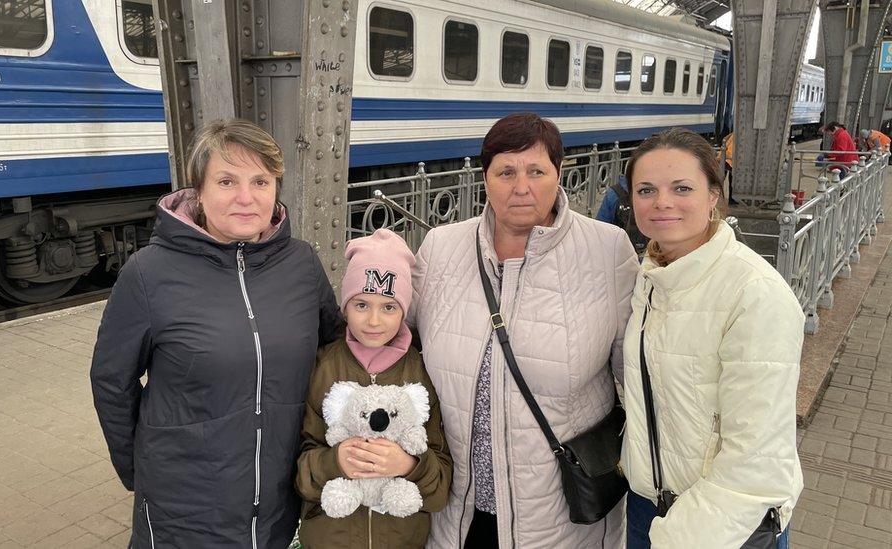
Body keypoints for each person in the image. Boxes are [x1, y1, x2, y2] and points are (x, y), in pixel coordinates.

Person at [90, 119, 343, 548]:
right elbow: (111, 381)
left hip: (280, 497)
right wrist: (140, 469)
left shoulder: (301, 264)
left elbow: (334, 353)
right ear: (199, 193)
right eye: (227, 181)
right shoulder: (149, 273)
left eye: (260, 181)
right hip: (185, 507)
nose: (246, 198)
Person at [411, 112, 639, 548]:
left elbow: (640, 377)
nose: (521, 187)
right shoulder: (441, 248)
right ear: (485, 178)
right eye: (506, 172)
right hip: (457, 514)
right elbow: (394, 346)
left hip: (561, 522)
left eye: (537, 170)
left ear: (559, 173)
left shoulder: (608, 251)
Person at [620, 128, 804, 548]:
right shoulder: (652, 277)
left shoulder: (754, 294)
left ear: (714, 195)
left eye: (682, 187)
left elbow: (755, 460)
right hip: (648, 505)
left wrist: (678, 537)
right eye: (646, 189)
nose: (662, 201)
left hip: (724, 524)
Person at [296, 228, 452, 548]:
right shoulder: (324, 367)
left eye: (389, 307)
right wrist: (335, 461)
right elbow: (301, 472)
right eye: (362, 305)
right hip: (331, 539)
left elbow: (439, 488)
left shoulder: (421, 372)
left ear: (404, 310)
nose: (374, 321)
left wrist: (409, 466)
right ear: (345, 306)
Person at [595, 174, 649, 254]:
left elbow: (599, 232)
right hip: (651, 257)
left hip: (620, 256)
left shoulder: (615, 193)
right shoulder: (662, 195)